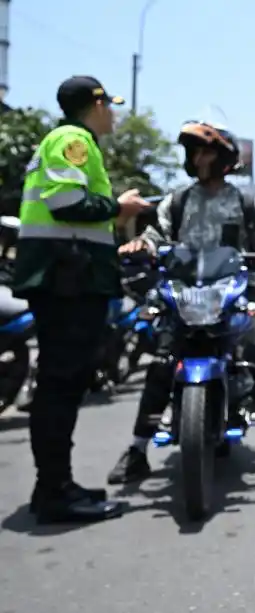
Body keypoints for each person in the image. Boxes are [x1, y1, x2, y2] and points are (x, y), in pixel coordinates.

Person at [108, 120, 255, 484]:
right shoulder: (178, 199)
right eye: (195, 152)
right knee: (162, 359)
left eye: (206, 152)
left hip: (232, 293)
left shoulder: (244, 201)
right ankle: (136, 450)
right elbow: (155, 234)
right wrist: (141, 244)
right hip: (184, 292)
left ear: (224, 158)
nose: (198, 159)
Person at [12, 76, 150, 523]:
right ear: (96, 104)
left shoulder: (70, 141)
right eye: (110, 106)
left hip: (67, 278)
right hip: (66, 280)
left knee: (63, 385)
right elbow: (68, 203)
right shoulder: (73, 140)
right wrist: (118, 207)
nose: (114, 114)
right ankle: (54, 493)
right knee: (60, 385)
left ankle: (55, 485)